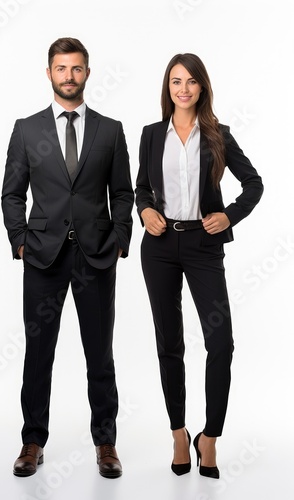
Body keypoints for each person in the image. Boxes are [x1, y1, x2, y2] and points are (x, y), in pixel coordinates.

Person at [1, 37, 133, 479]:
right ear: (49, 73)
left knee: (100, 353)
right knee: (39, 352)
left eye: (76, 69)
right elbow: (12, 194)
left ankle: (106, 442)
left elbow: (122, 193)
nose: (69, 76)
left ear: (87, 74)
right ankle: (32, 440)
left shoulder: (110, 130)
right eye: (61, 68)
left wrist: (119, 240)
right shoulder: (27, 129)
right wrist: (20, 241)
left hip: (97, 256)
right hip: (42, 257)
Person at [135, 53, 263, 479]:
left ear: (202, 87)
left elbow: (254, 182)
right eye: (176, 81)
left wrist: (229, 214)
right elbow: (140, 188)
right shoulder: (152, 135)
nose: (183, 88)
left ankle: (209, 437)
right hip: (159, 246)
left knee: (220, 342)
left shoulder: (218, 135)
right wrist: (144, 210)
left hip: (204, 244)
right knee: (169, 343)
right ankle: (178, 432)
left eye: (191, 81)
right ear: (167, 87)